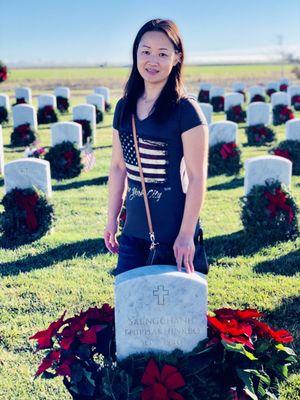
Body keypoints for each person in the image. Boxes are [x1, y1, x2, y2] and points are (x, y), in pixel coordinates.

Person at [104, 18, 208, 275]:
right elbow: (118, 168)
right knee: (131, 310)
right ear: (136, 54)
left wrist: (185, 236)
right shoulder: (123, 107)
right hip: (133, 234)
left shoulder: (186, 110)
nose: (153, 61)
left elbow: (196, 178)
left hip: (175, 236)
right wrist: (111, 219)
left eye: (163, 54)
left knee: (177, 314)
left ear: (177, 58)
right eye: (146, 51)